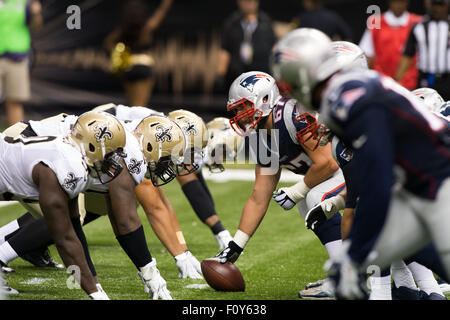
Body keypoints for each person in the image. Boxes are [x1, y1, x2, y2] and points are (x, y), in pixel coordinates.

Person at [271, 27, 450, 300]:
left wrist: (352, 255)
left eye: (289, 83)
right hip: (423, 181)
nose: (288, 93)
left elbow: (377, 183)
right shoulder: (342, 97)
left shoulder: (351, 99)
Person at [0, 112, 179, 299]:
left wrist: (95, 288)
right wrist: (147, 272)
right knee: (59, 222)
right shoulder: (68, 165)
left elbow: (77, 231)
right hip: (25, 140)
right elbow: (69, 238)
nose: (117, 161)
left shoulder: (76, 162)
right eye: (113, 155)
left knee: (69, 220)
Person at [213, 70, 346, 300]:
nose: (240, 115)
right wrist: (236, 245)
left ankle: (344, 278)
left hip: (359, 165)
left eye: (243, 107)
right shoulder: (260, 133)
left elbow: (328, 164)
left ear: (264, 99)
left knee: (312, 197)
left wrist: (296, 190)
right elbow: (259, 195)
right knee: (308, 200)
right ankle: (342, 271)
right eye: (236, 110)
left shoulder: (293, 114)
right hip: (343, 171)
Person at [104, 0, 173, 107]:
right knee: (141, 104)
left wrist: (119, 53)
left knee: (133, 104)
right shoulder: (146, 28)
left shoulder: (122, 30)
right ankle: (139, 123)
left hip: (128, 65)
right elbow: (161, 12)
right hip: (144, 64)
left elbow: (108, 42)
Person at [359, 0, 422, 90]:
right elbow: (367, 56)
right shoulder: (375, 22)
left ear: (407, 2)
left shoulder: (417, 22)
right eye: (395, 1)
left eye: (401, 2)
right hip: (380, 85)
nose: (398, 5)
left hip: (410, 87)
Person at [216, 0, 276, 93]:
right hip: (237, 76)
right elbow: (225, 50)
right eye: (246, 1)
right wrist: (220, 73)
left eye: (251, 1)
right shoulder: (231, 23)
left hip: (261, 76)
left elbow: (274, 49)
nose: (249, 3)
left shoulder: (266, 22)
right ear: (239, 2)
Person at [396, 0, 450, 99]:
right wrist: (397, 81)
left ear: (447, 6)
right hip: (426, 79)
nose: (437, 9)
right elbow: (407, 55)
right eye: (435, 5)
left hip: (448, 79)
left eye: (440, 5)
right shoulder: (418, 26)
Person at [0, 0, 42, 126]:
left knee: (14, 101)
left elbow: (36, 26)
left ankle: (16, 140)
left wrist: (36, 14)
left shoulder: (24, 2)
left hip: (16, 58)